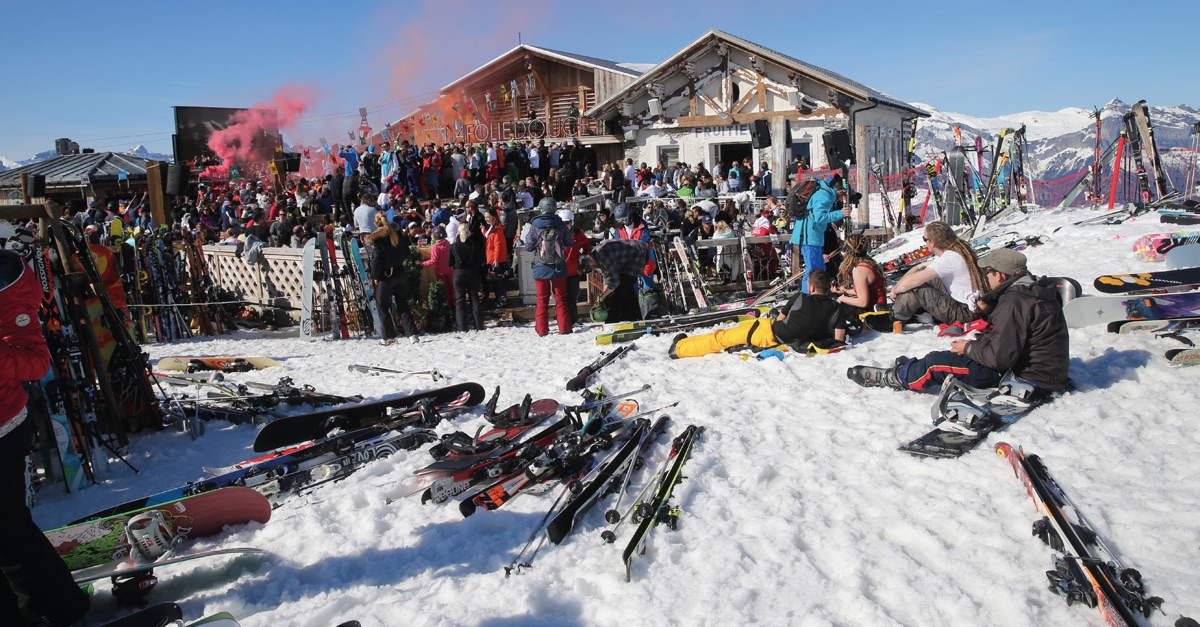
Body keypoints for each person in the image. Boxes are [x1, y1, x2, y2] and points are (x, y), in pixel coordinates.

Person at [0, 248, 91, 626]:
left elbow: (37, 362)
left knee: (9, 533)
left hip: (4, 428)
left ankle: (61, 608)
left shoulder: (8, 281)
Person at [847, 249, 1070, 395]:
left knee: (936, 362)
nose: (986, 276)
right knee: (963, 351)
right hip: (1042, 372)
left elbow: (998, 358)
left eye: (989, 271)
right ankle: (913, 367)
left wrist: (970, 347)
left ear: (1001, 275)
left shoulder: (1015, 302)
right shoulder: (1032, 291)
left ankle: (896, 377)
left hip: (1027, 380)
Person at [669, 270, 846, 359]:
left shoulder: (800, 297)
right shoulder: (837, 309)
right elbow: (838, 340)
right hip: (787, 339)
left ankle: (679, 349)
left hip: (768, 333)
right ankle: (682, 345)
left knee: (721, 338)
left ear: (812, 287)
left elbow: (780, 320)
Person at [889, 220, 987, 326]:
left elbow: (908, 283)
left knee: (917, 287)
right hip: (969, 305)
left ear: (932, 242)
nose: (925, 242)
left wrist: (895, 290)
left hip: (965, 313)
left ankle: (895, 318)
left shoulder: (948, 259)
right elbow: (920, 268)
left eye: (924, 239)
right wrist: (918, 266)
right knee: (924, 275)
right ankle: (904, 307)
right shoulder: (957, 251)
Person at [523, 197, 573, 335]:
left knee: (542, 298)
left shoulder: (535, 226)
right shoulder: (561, 225)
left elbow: (528, 246)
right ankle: (564, 328)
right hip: (559, 267)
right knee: (561, 297)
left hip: (540, 267)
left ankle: (542, 329)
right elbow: (570, 243)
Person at [365, 212, 417, 345]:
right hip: (400, 271)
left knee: (382, 305)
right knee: (402, 304)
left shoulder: (377, 239)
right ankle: (412, 334)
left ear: (376, 223)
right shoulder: (397, 234)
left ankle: (389, 337)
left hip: (386, 275)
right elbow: (406, 252)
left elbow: (377, 260)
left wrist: (374, 276)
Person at [789, 175, 843, 293]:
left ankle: (817, 294)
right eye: (843, 195)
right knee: (813, 271)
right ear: (839, 190)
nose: (842, 199)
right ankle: (807, 297)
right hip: (810, 237)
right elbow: (819, 217)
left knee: (819, 269)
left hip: (812, 237)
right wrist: (840, 213)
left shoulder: (822, 192)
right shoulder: (824, 195)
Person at [586, 237, 654, 324]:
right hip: (626, 259)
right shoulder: (596, 257)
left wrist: (604, 295)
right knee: (621, 290)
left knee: (624, 287)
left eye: (589, 269)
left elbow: (614, 281)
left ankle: (621, 319)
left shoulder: (602, 257)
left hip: (638, 254)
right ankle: (631, 318)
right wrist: (603, 295)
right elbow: (608, 277)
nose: (592, 270)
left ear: (590, 262)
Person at [832, 233, 888, 323]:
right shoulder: (868, 263)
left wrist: (842, 298)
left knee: (834, 307)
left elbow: (863, 302)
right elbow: (863, 290)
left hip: (874, 314)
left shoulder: (860, 271)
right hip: (879, 306)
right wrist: (846, 291)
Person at [449, 221, 486, 332]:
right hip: (472, 272)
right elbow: (480, 259)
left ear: (458, 232)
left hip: (458, 273)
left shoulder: (453, 246)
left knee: (460, 300)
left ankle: (462, 326)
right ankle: (478, 324)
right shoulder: (474, 245)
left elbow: (449, 263)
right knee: (474, 298)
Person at [558, 208, 592, 327]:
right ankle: (562, 321)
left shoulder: (578, 234)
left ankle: (573, 320)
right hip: (560, 271)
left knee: (572, 297)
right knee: (561, 298)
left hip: (573, 271)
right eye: (562, 223)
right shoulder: (556, 233)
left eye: (566, 223)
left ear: (571, 222)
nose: (564, 225)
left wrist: (583, 256)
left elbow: (587, 246)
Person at [422, 226, 454, 310]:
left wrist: (422, 263)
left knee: (446, 291)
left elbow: (433, 261)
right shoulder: (447, 243)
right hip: (450, 270)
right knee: (452, 289)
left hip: (440, 272)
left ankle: (448, 308)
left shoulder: (435, 247)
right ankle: (455, 307)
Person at [482, 208, 509, 309]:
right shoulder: (492, 228)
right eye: (485, 217)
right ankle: (499, 298)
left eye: (488, 217)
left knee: (498, 281)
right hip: (491, 258)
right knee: (495, 281)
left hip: (496, 260)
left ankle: (502, 300)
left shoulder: (497, 230)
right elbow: (489, 237)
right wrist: (483, 231)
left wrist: (496, 259)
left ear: (494, 217)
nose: (486, 219)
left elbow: (498, 245)